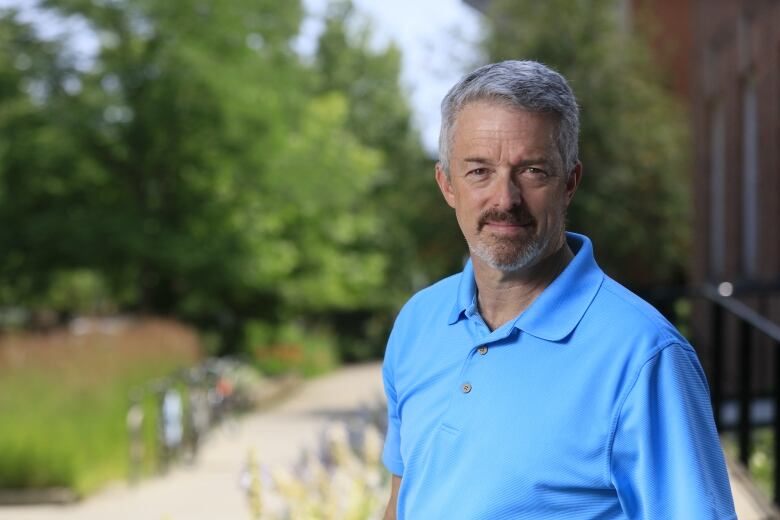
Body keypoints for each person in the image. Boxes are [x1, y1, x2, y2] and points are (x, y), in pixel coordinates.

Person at [381, 60, 736, 519]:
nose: (505, 199)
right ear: (447, 184)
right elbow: (402, 499)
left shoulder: (645, 356)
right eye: (479, 172)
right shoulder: (418, 320)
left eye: (532, 171)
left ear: (570, 182)